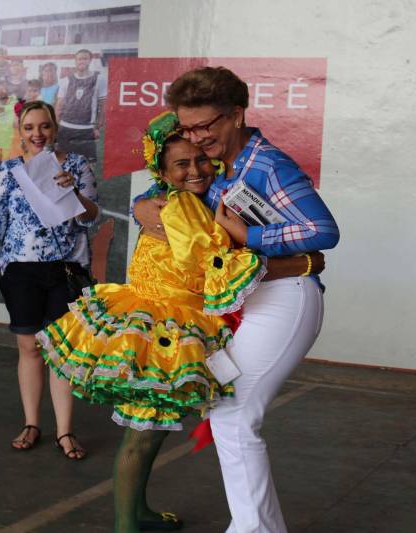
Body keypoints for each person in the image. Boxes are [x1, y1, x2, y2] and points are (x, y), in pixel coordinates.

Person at [134, 67, 340, 533]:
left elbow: (323, 231)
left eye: (205, 126)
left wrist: (249, 234)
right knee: (222, 405)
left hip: (283, 299)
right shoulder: (212, 163)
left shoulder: (267, 164)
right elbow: (166, 193)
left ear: (236, 114)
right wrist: (140, 206)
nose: (197, 138)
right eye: (187, 127)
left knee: (233, 410)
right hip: (237, 299)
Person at [0, 100, 99, 460]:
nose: (37, 134)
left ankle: (65, 432)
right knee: (29, 349)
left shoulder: (76, 166)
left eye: (44, 126)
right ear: (20, 132)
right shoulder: (7, 172)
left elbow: (90, 218)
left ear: (55, 129)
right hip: (20, 271)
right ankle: (31, 423)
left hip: (66, 270)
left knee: (60, 352)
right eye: (29, 128)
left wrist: (72, 191)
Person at [55, 49, 107, 162]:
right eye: (79, 59)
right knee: (62, 163)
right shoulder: (65, 80)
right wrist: (56, 125)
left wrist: (98, 127)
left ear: (90, 60)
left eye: (85, 58)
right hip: (66, 127)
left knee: (88, 166)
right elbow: (59, 106)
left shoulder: (99, 79)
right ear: (75, 61)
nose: (81, 61)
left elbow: (103, 105)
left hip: (86, 129)